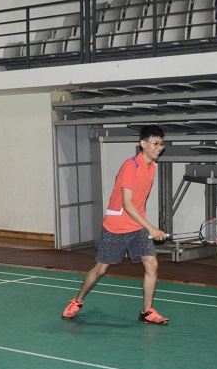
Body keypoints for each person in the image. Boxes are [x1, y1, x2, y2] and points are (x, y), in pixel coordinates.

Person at [61, 124, 169, 324]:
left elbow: (140, 201)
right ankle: (77, 301)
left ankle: (146, 312)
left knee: (151, 264)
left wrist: (147, 227)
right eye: (155, 143)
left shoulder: (152, 167)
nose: (159, 148)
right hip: (116, 226)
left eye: (161, 144)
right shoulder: (130, 166)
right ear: (143, 144)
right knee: (101, 269)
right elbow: (127, 204)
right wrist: (151, 228)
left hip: (137, 226)